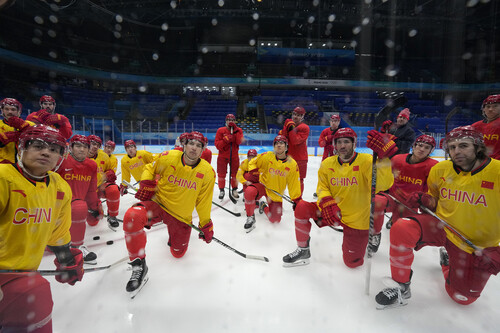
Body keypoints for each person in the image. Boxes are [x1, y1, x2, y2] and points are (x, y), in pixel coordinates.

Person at [375, 126, 500, 309]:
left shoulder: (497, 172)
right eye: (452, 147)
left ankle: (447, 264)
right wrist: (426, 200)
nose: (457, 151)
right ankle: (401, 284)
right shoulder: (441, 169)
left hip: (474, 243)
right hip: (441, 226)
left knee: (462, 298)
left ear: (478, 147)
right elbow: (435, 202)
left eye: (463, 145)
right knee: (402, 227)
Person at [0, 125, 84, 332]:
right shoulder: (3, 177)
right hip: (7, 274)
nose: (46, 152)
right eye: (38, 146)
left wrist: (66, 259)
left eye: (54, 149)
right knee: (34, 293)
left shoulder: (59, 186)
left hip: (22, 274)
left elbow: (58, 231)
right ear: (22, 149)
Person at [282, 128, 396, 268]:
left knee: (352, 263)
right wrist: (326, 202)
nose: (342, 146)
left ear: (354, 144)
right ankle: (303, 249)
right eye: (339, 142)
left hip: (357, 220)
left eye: (346, 142)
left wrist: (384, 161)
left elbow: (382, 185)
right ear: (334, 145)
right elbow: (322, 187)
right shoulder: (328, 163)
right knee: (301, 207)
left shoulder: (367, 161)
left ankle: (373, 235)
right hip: (332, 211)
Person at [122, 131, 215, 296]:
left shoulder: (207, 172)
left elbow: (204, 201)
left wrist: (205, 223)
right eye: (191, 143)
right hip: (158, 204)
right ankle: (138, 265)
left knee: (177, 253)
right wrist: (146, 181)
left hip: (180, 216)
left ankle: (174, 238)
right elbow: (150, 168)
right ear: (184, 144)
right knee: (132, 216)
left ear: (203, 150)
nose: (194, 148)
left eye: (198, 145)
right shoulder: (168, 157)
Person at [371, 135, 439, 254]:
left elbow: (431, 190)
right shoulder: (397, 159)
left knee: (400, 230)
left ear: (431, 151)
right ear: (414, 146)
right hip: (392, 197)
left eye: (427, 147)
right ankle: (375, 234)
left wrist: (425, 204)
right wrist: (379, 157)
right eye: (420, 145)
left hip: (410, 203)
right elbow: (384, 175)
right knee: (377, 202)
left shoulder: (433, 166)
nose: (422, 149)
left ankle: (395, 219)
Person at [57, 134, 102, 265]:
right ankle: (74, 248)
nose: (81, 150)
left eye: (85, 147)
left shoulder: (92, 165)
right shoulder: (61, 161)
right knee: (79, 207)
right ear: (70, 147)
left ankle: (71, 244)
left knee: (92, 220)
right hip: (58, 205)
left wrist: (95, 207)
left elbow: (91, 190)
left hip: (77, 205)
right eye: (78, 146)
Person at [242, 135, 301, 233]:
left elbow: (294, 184)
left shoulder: (292, 164)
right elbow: (253, 162)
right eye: (276, 143)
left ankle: (263, 205)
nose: (278, 145)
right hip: (263, 186)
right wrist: (254, 171)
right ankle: (250, 217)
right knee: (249, 191)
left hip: (275, 193)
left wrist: (296, 199)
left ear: (286, 147)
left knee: (275, 220)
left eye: (281, 143)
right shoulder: (268, 156)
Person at [87, 134, 120, 231]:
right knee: (92, 222)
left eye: (98, 144)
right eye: (93, 143)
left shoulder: (104, 156)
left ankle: (112, 216)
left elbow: (109, 171)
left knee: (113, 189)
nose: (95, 146)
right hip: (86, 192)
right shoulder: (80, 155)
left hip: (100, 187)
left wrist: (109, 175)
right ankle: (96, 204)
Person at [281, 106, 310, 194]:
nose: (295, 116)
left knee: (299, 180)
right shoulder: (289, 124)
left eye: (298, 115)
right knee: (282, 178)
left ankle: (298, 200)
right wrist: (286, 127)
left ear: (302, 117)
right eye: (294, 114)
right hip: (288, 157)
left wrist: (290, 127)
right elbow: (283, 138)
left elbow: (295, 140)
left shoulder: (304, 127)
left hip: (300, 159)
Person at [214, 114, 243, 200]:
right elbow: (217, 145)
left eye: (233, 120)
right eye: (229, 120)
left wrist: (235, 131)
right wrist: (225, 140)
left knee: (234, 174)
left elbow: (239, 142)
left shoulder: (239, 130)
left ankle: (234, 189)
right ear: (225, 121)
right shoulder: (220, 130)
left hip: (234, 156)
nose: (231, 121)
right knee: (221, 174)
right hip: (222, 156)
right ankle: (221, 190)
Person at [0, 98, 33, 163]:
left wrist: (26, 128)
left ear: (19, 111)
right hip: (3, 163)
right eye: (6, 109)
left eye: (13, 109)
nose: (10, 112)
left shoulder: (30, 124)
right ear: (2, 110)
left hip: (25, 164)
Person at [472, 94, 500, 159]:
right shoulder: (477, 126)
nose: (490, 109)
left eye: (495, 106)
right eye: (488, 106)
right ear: (483, 109)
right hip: (482, 164)